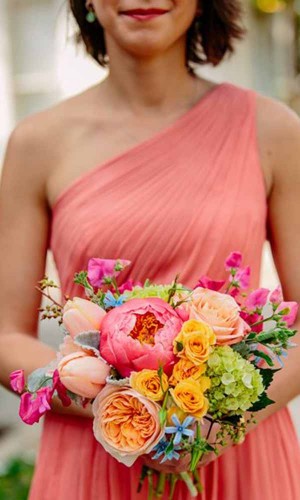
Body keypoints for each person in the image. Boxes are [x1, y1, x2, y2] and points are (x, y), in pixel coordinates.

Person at [0, 0, 299, 498]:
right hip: (93, 462)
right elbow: (5, 334)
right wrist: (126, 409)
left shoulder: (275, 132)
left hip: (241, 457)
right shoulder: (38, 144)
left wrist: (220, 423)